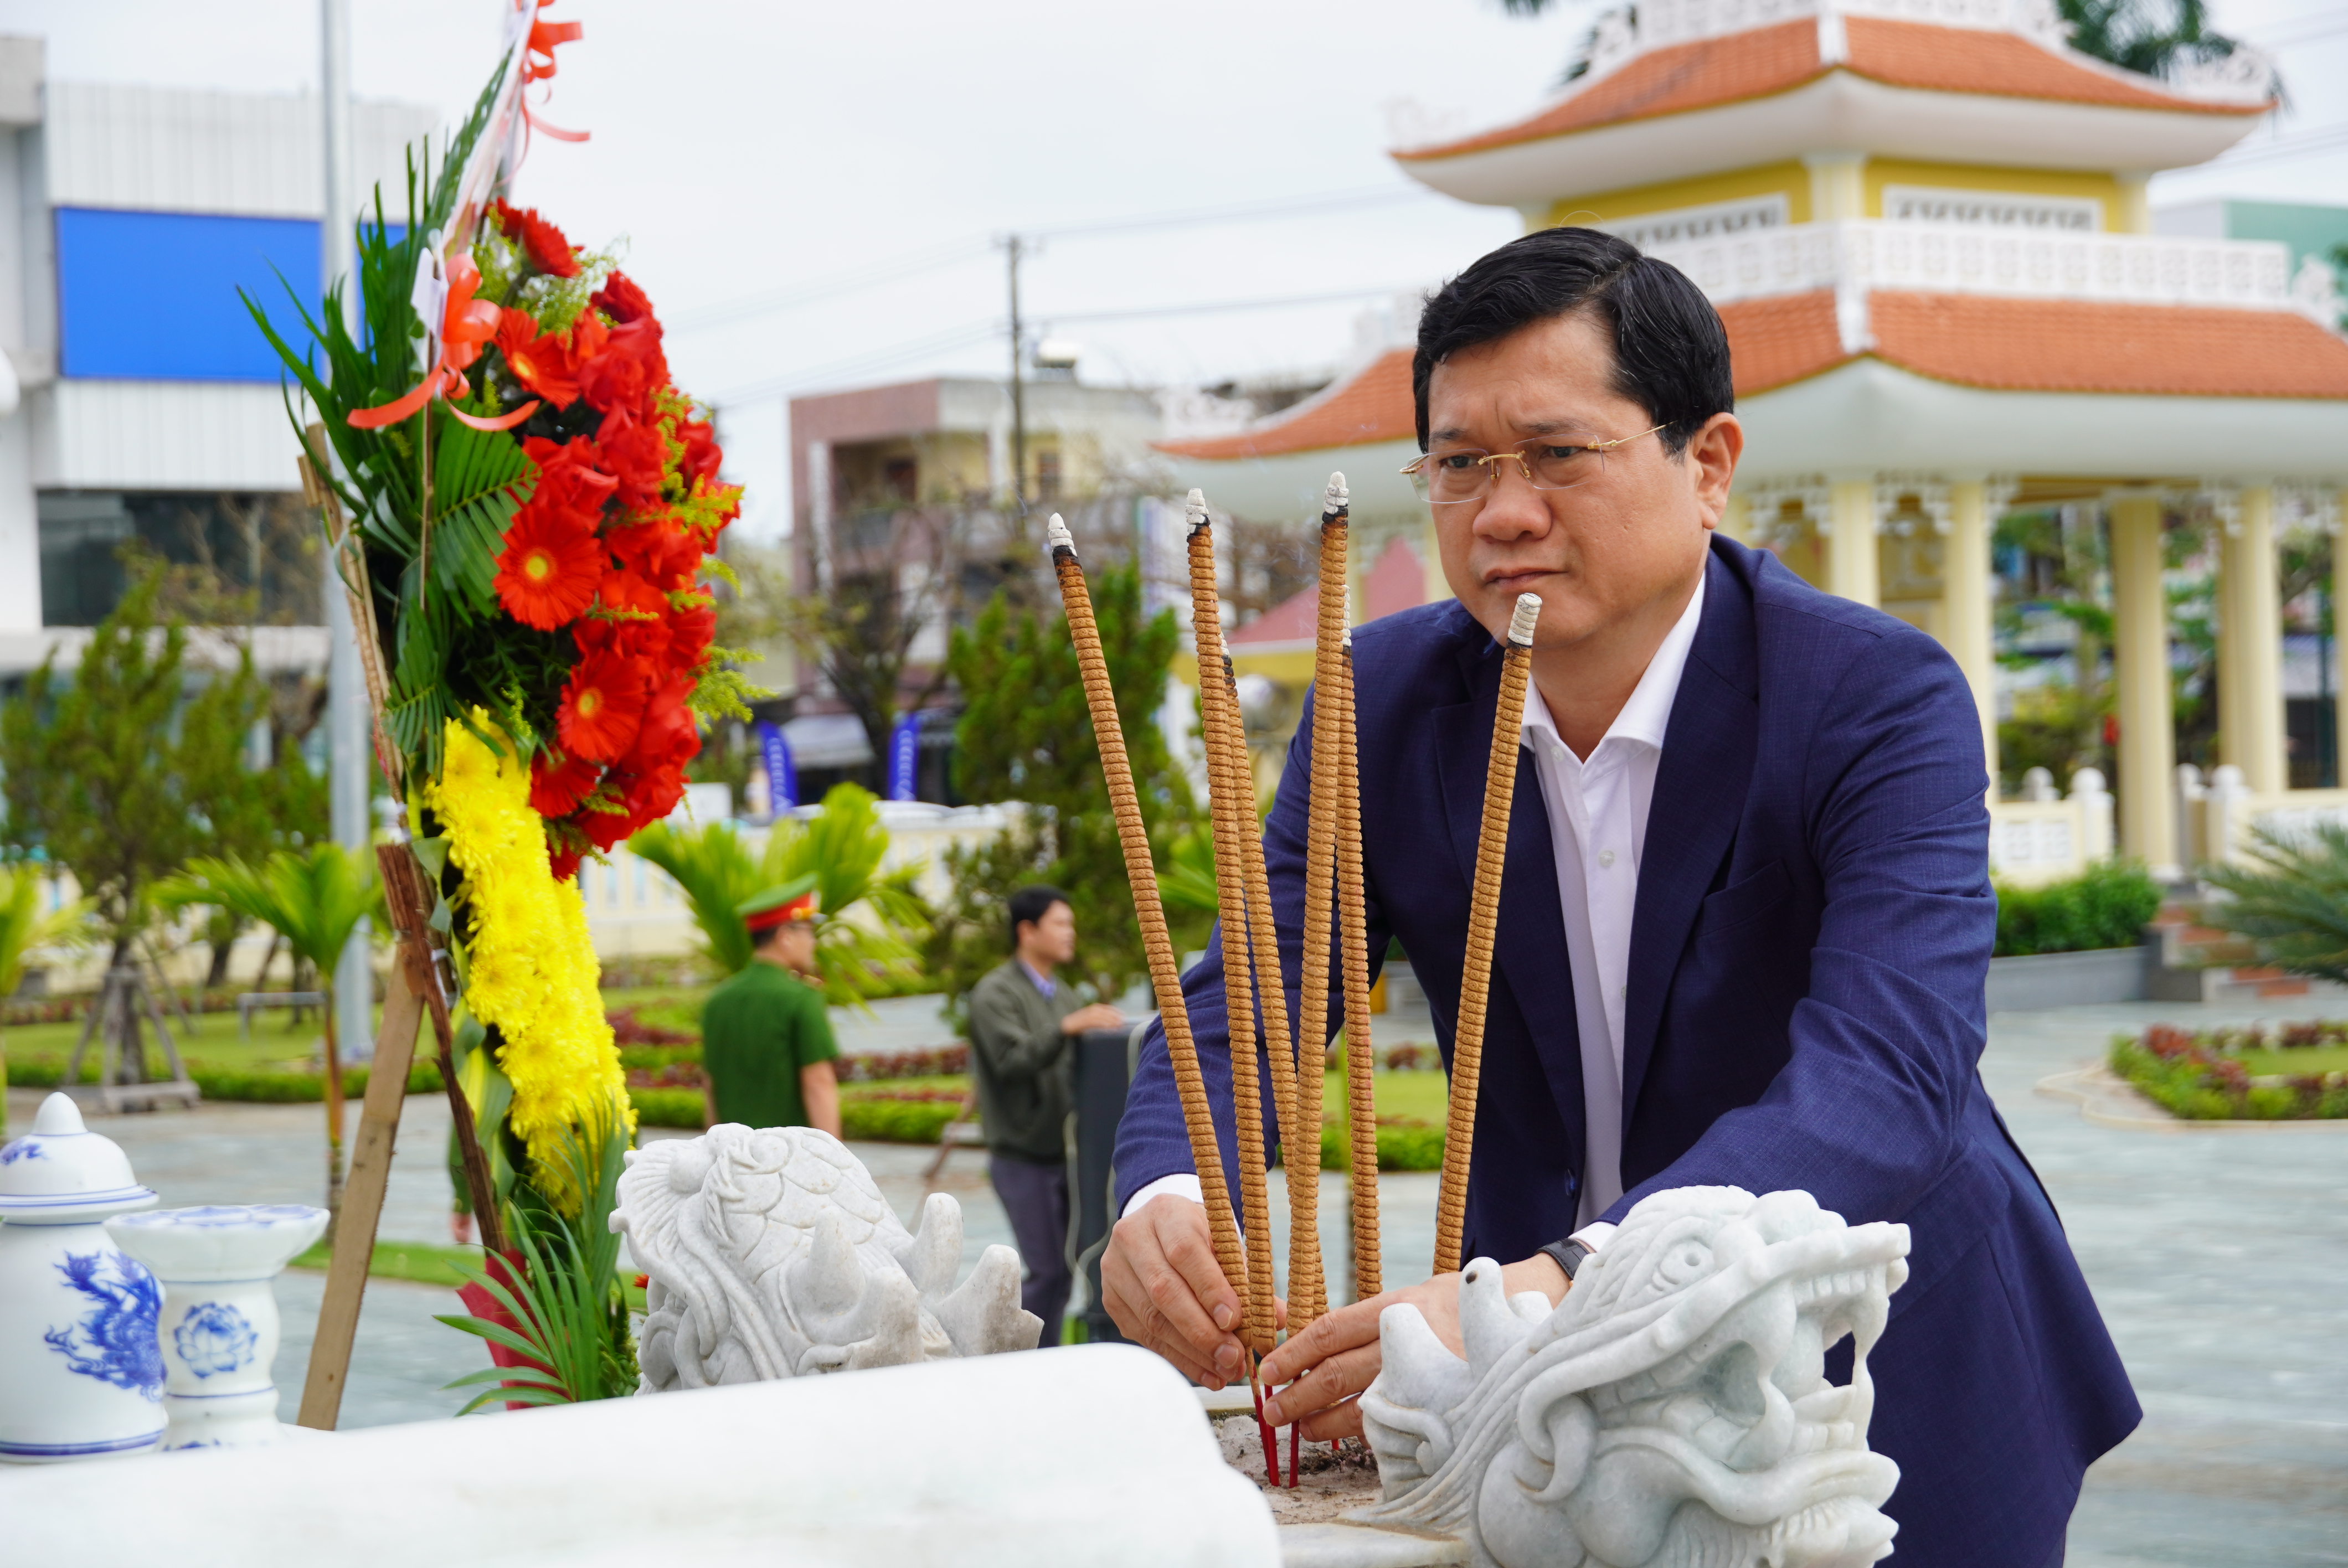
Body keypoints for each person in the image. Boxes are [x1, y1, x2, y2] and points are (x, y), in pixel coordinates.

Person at [1101, 228, 2136, 1567]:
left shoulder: (1870, 698)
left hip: (1863, 1376)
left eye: (1555, 453)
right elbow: (1253, 994)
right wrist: (1166, 1200)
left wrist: (1559, 1285)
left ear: (1704, 464)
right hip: (1535, 1424)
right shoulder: (1383, 701)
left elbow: (1882, 1078)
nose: (1500, 509)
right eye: (1459, 462)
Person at [966, 885, 1125, 1340]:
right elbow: (1010, 1060)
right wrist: (1066, 1029)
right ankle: (1025, 1363)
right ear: (1027, 930)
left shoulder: (1064, 993)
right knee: (1047, 1271)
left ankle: (1049, 1357)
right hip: (1022, 1159)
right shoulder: (994, 994)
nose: (1070, 933)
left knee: (1075, 1264)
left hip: (1068, 1158)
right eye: (1060, 924)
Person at [699, 875, 841, 1137]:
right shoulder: (801, 998)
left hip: (733, 1162)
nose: (814, 942)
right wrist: (837, 1162)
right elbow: (819, 1084)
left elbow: (710, 1088)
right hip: (789, 1166)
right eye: (809, 931)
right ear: (785, 936)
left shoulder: (717, 1001)